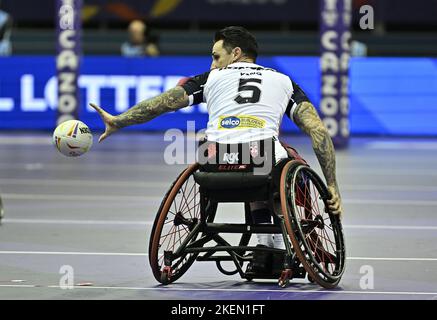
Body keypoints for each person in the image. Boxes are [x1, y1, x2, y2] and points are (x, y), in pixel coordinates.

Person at [91, 26, 342, 249]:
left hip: (211, 162)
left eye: (215, 57)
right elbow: (318, 131)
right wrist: (331, 185)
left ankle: (267, 244)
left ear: (235, 54)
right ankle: (273, 243)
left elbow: (159, 105)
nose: (212, 64)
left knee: (252, 163)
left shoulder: (210, 78)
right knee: (283, 163)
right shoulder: (283, 81)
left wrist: (118, 121)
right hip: (261, 160)